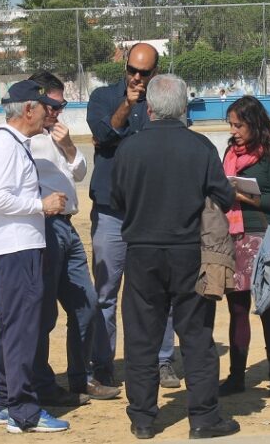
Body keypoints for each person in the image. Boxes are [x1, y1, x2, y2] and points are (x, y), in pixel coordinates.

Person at [0, 73, 121, 407]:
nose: (57, 112)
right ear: (33, 106)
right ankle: (40, 384)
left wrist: (66, 146)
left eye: (61, 105)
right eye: (52, 105)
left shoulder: (51, 134)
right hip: (41, 228)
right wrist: (33, 196)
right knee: (39, 313)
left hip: (66, 226)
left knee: (86, 303)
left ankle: (80, 379)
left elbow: (79, 172)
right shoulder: (19, 138)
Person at [111, 74, 239, 440]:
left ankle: (142, 419)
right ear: (184, 108)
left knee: (141, 338)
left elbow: (115, 199)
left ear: (148, 109)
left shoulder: (129, 149)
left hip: (142, 252)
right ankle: (203, 417)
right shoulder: (199, 148)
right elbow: (224, 197)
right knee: (197, 337)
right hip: (189, 252)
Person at [86, 42, 180, 389]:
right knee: (106, 292)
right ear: (125, 67)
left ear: (155, 71)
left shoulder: (164, 101)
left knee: (160, 291)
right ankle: (103, 365)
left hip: (153, 211)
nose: (137, 78)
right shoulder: (102, 97)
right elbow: (103, 134)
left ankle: (163, 360)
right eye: (132, 70)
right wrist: (127, 104)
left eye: (144, 72)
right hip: (111, 211)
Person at [0, 80, 70, 434]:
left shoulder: (12, 143)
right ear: (27, 109)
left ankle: (6, 402)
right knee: (20, 330)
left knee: (9, 327)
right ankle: (22, 411)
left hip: (14, 247)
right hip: (16, 248)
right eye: (45, 106)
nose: (50, 112)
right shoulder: (6, 145)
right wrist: (41, 205)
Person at [218, 95, 270, 398]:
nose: (234, 131)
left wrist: (244, 195)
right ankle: (237, 377)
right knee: (237, 309)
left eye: (239, 125)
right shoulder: (228, 153)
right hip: (231, 235)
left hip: (261, 237)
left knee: (267, 306)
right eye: (231, 125)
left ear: (254, 123)